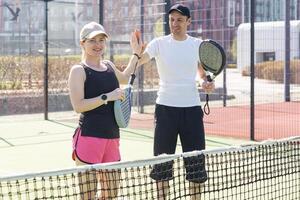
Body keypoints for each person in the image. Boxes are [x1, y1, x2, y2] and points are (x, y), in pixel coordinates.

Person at [136, 4, 215, 199]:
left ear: (189, 21)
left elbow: (202, 73)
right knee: (162, 166)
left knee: (196, 165)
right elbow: (142, 59)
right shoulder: (159, 43)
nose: (175, 23)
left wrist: (206, 82)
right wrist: (136, 53)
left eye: (179, 20)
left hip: (192, 111)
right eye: (172, 19)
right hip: (165, 110)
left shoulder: (197, 45)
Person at [68, 21, 142, 200]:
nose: (98, 45)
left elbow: (124, 78)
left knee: (111, 195)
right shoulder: (78, 71)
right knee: (88, 196)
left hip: (112, 138)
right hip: (89, 137)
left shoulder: (108, 65)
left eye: (101, 40)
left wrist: (136, 54)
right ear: (82, 43)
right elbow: (78, 106)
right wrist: (107, 97)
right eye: (93, 40)